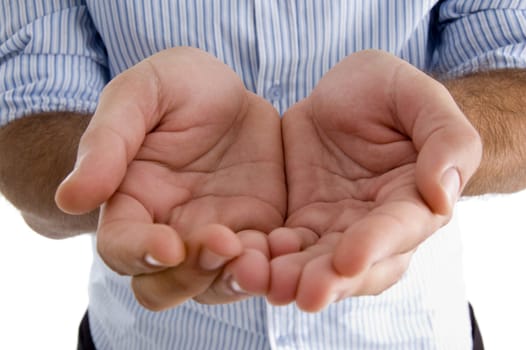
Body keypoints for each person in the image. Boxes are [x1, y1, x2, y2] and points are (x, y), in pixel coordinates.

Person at [0, 1, 524, 349]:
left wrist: (428, 131)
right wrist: (121, 158)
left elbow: (514, 58)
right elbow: (25, 101)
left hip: (416, 332)